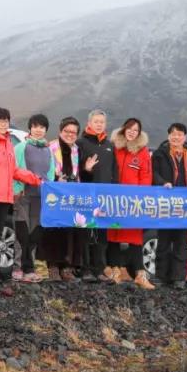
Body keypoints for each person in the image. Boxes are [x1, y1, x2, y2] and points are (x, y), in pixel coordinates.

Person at [0, 107, 43, 282]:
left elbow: (14, 170)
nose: (3, 124)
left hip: (5, 197)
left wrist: (35, 179)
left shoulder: (8, 143)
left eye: (5, 121)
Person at [151, 123, 187, 289]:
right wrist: (162, 183)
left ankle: (178, 278)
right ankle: (160, 276)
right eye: (173, 134)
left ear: (185, 137)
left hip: (185, 206)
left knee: (182, 242)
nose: (176, 137)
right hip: (165, 203)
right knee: (164, 241)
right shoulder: (160, 154)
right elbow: (153, 173)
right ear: (169, 136)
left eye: (179, 134)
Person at [107, 118, 154, 289]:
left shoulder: (142, 151)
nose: (132, 132)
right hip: (113, 200)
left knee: (135, 237)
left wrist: (141, 197)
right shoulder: (114, 147)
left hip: (133, 202)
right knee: (113, 235)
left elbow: (146, 176)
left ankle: (140, 274)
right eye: (129, 128)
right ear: (123, 129)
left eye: (136, 130)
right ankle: (115, 271)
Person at [12, 114, 55, 283]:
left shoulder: (48, 150)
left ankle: (29, 269)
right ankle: (17, 267)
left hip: (40, 196)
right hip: (23, 195)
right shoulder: (21, 147)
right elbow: (14, 169)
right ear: (30, 128)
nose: (38, 130)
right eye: (35, 126)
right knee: (22, 232)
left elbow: (50, 173)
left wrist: (49, 192)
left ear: (45, 130)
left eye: (42, 127)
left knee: (34, 233)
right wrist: (17, 190)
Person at [39, 117, 82, 281]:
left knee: (69, 231)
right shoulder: (50, 147)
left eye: (73, 132)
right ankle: (53, 267)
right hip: (54, 194)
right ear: (60, 131)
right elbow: (44, 170)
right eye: (67, 131)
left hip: (70, 195)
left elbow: (77, 173)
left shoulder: (76, 150)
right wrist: (56, 180)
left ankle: (67, 267)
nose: (70, 135)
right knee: (53, 231)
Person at [77, 109, 116, 283]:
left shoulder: (110, 145)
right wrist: (87, 169)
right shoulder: (81, 143)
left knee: (102, 234)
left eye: (102, 122)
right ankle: (85, 269)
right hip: (86, 195)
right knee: (86, 232)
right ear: (89, 123)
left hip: (106, 197)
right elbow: (77, 171)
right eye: (96, 121)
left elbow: (115, 171)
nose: (99, 124)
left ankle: (99, 269)